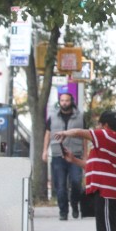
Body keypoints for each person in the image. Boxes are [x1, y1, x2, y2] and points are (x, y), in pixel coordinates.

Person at [53, 110, 116, 231]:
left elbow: (79, 132)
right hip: (104, 190)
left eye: (99, 125)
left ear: (104, 125)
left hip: (109, 190)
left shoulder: (108, 135)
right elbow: (91, 166)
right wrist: (73, 160)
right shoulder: (106, 143)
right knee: (103, 228)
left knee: (107, 228)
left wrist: (64, 133)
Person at [43, 91, 84, 221]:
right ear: (59, 102)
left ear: (71, 101)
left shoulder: (80, 117)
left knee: (76, 182)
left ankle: (75, 204)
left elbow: (85, 136)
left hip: (75, 155)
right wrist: (44, 150)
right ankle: (63, 211)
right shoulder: (53, 116)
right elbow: (48, 134)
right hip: (57, 155)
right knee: (60, 186)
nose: (64, 103)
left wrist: (87, 154)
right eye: (62, 100)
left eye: (67, 100)